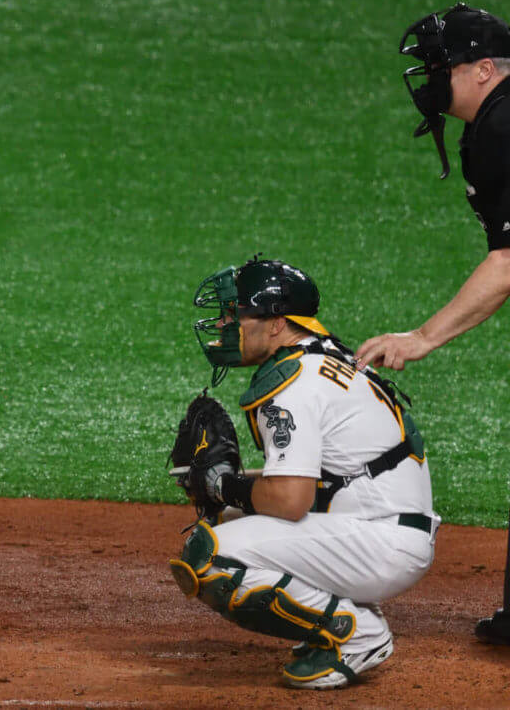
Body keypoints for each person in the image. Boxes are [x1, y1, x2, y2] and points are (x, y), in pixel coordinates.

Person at [172, 257, 437, 689]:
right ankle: (345, 611)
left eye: (236, 314)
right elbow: (318, 479)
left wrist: (222, 482)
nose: (223, 324)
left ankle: (356, 633)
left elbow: (291, 500)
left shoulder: (294, 382)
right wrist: (225, 489)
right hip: (378, 524)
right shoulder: (323, 356)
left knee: (211, 557)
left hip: (381, 540)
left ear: (276, 323)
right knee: (224, 520)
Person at [355, 2, 510, 646]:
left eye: (440, 66)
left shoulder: (506, 125)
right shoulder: (492, 123)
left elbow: (507, 262)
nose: (428, 79)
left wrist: (421, 338)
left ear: (482, 70)